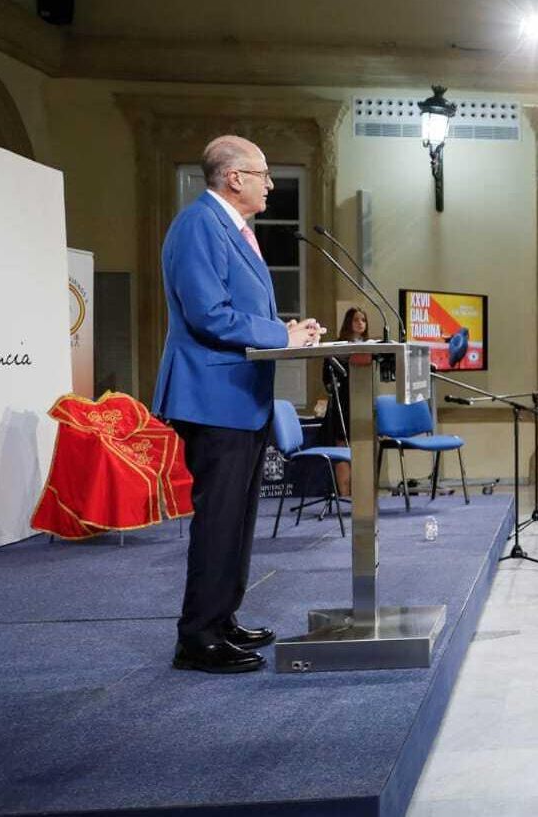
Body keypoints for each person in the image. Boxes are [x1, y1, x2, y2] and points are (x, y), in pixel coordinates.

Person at [154, 135, 321, 674]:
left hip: (239, 397)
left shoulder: (233, 229)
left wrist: (288, 331)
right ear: (234, 178)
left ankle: (222, 618)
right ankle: (196, 636)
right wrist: (282, 335)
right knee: (219, 518)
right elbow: (208, 314)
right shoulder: (200, 224)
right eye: (263, 174)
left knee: (240, 518)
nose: (270, 184)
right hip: (211, 396)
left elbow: (234, 312)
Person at [321, 306, 370, 494]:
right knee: (343, 451)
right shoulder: (337, 347)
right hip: (342, 405)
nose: (360, 323)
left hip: (363, 404)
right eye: (356, 319)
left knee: (362, 451)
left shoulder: (370, 347)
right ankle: (344, 495)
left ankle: (362, 496)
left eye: (363, 320)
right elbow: (327, 379)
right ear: (348, 322)